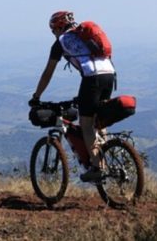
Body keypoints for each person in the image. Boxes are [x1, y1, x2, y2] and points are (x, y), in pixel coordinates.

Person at [29, 10, 116, 182]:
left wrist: (36, 96)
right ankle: (105, 156)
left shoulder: (61, 42)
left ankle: (98, 168)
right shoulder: (84, 36)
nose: (53, 34)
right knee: (98, 121)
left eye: (53, 31)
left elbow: (48, 73)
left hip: (93, 78)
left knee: (86, 124)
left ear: (58, 27)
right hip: (110, 75)